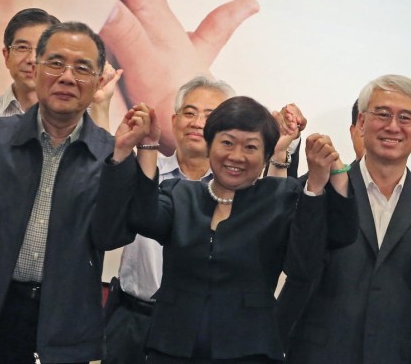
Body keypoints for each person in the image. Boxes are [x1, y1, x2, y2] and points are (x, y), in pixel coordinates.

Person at [0, 21, 153, 363]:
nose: (67, 77)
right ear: (37, 67)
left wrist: (122, 159)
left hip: (58, 324)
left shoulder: (111, 152)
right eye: (56, 63)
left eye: (82, 68)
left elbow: (109, 236)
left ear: (97, 81)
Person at [100, 95, 357, 363]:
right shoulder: (180, 194)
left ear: (266, 155)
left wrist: (317, 183)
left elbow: (304, 266)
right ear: (210, 145)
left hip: (249, 350)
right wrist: (147, 146)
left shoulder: (280, 198)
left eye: (250, 147)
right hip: (171, 348)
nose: (236, 156)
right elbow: (143, 217)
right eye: (226, 142)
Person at [280, 74, 411, 364]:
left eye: (405, 118)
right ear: (362, 123)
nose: (393, 126)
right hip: (317, 353)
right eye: (382, 114)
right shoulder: (317, 186)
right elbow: (299, 265)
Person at [102, 75, 235, 364]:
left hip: (195, 329)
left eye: (210, 115)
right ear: (174, 121)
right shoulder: (143, 170)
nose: (198, 122)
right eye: (189, 112)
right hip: (131, 320)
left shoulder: (235, 191)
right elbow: (107, 226)